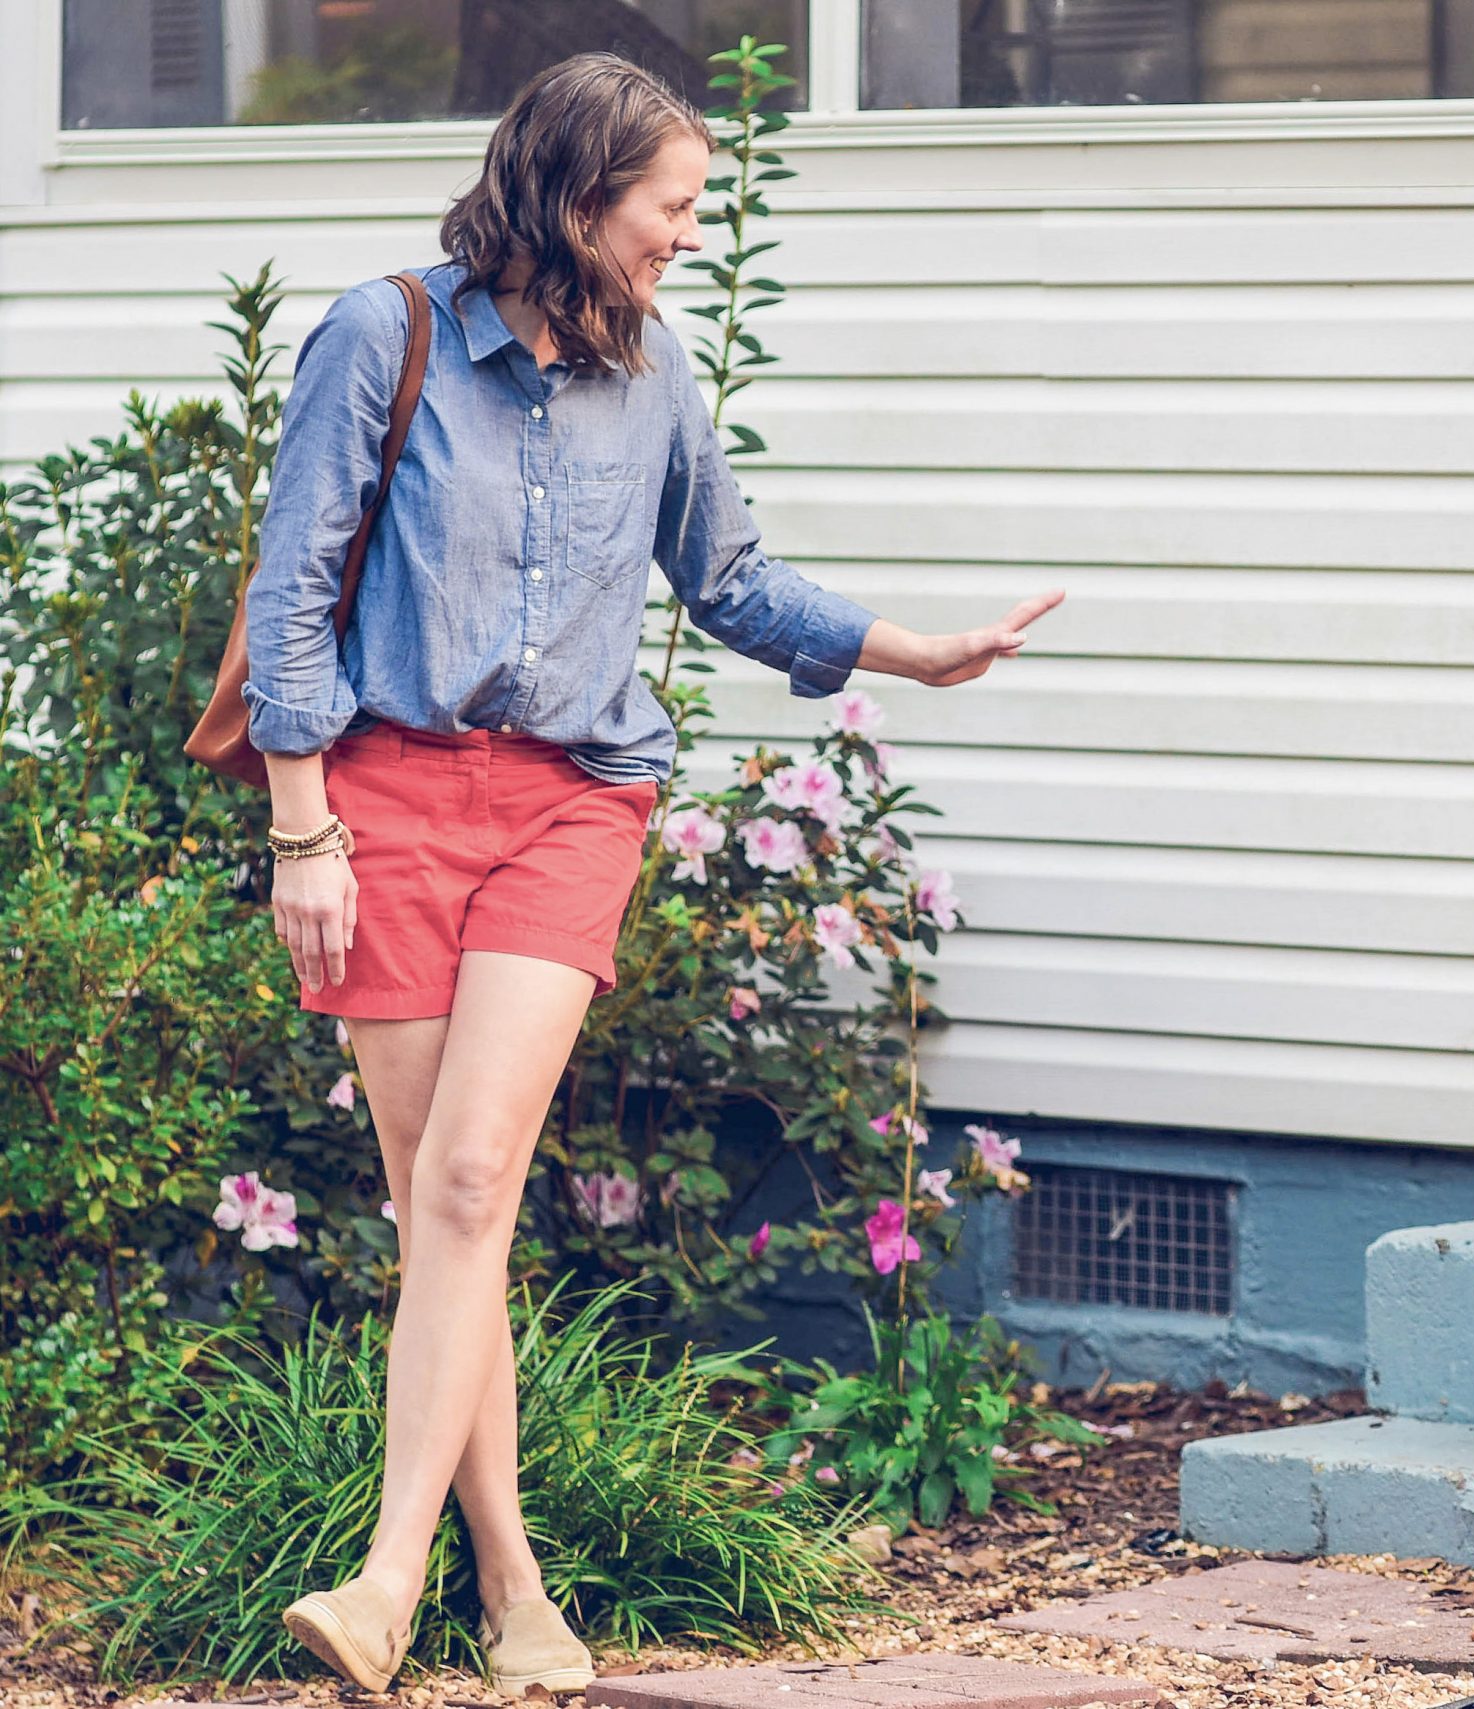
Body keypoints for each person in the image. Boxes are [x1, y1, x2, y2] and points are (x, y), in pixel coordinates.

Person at [247, 55, 1061, 1695]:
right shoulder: (381, 334)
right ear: (573, 196)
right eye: (672, 205)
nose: (692, 233)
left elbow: (732, 577)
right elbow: (292, 587)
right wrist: (301, 827)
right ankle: (516, 1587)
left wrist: (912, 651)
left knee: (472, 1184)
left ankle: (388, 1579)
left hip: (570, 805)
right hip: (388, 797)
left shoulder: (656, 371)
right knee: (439, 1213)